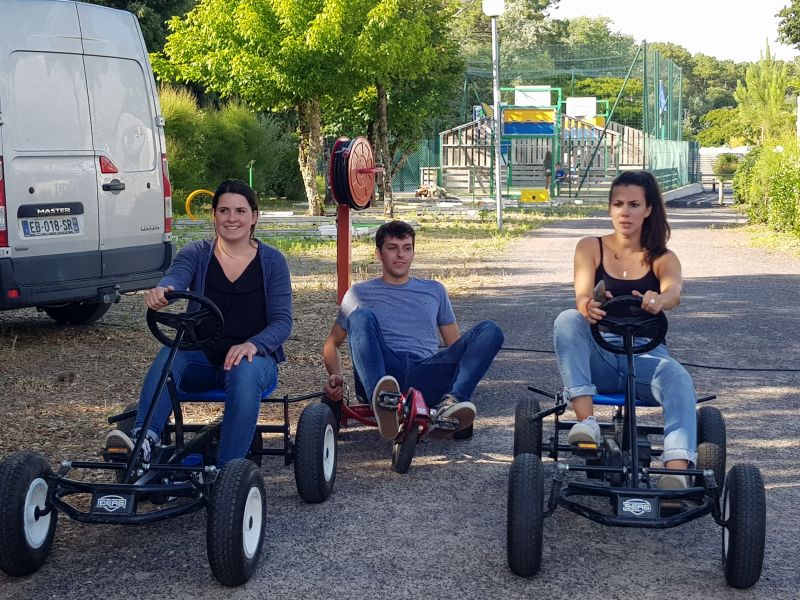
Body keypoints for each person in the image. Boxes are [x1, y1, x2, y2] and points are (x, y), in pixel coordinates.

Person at [104, 179, 292, 466]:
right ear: (213, 215)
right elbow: (177, 276)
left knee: (243, 368)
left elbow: (282, 321)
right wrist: (164, 290)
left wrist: (253, 345)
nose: (231, 218)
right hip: (202, 360)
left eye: (240, 211)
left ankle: (229, 470)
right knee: (171, 354)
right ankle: (143, 442)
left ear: (254, 216)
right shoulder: (196, 253)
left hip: (254, 362)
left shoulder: (272, 262)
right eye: (224, 211)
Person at [552, 170, 696, 489]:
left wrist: (658, 299)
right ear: (610, 208)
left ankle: (676, 472)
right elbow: (581, 295)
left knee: (678, 377)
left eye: (633, 205)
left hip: (646, 355)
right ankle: (587, 424)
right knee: (568, 319)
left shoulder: (662, 257)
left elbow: (673, 292)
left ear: (648, 209)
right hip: (600, 354)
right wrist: (587, 305)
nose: (624, 213)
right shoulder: (590, 246)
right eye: (618, 204)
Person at [322, 220, 504, 440]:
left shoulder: (434, 290)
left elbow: (455, 347)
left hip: (427, 371)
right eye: (392, 248)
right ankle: (382, 402)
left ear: (413, 253)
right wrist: (336, 376)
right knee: (361, 315)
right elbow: (332, 343)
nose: (401, 255)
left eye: (407, 248)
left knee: (490, 330)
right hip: (383, 371)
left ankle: (452, 402)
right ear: (379, 253)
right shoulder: (359, 292)